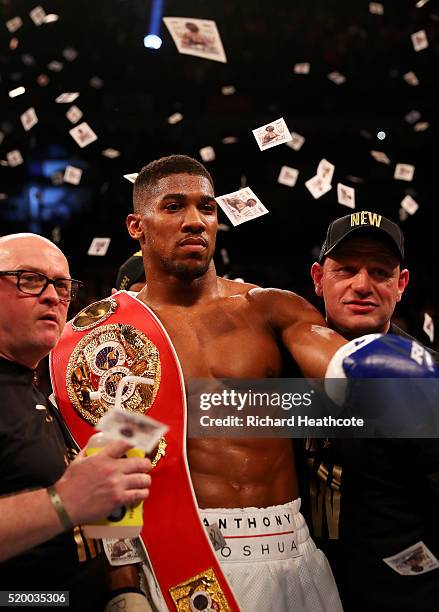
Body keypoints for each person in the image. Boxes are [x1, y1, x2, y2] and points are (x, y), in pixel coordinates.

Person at [0, 233, 152, 611]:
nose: (53, 296)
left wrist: (118, 591)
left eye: (63, 285)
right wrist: (63, 501)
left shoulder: (38, 393)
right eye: (29, 279)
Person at [308, 212, 439, 611]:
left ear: (401, 285)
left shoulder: (429, 378)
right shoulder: (280, 363)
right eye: (346, 269)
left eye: (380, 272)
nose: (361, 285)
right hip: (299, 587)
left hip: (400, 597)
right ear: (318, 278)